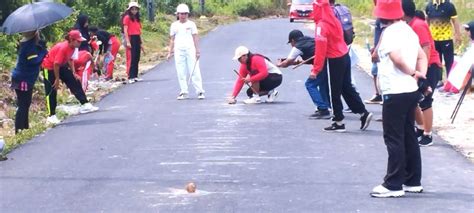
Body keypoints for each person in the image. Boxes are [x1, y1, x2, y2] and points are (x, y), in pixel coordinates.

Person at [370, 0, 428, 198]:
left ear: (381, 15)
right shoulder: (408, 30)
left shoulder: (389, 33)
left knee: (393, 137)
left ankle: (393, 184)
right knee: (408, 135)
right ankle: (412, 180)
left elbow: (395, 58)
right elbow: (422, 56)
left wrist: (412, 73)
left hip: (395, 91)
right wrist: (420, 75)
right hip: (410, 90)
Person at [312, 0, 372, 132]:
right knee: (346, 87)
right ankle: (363, 113)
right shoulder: (334, 20)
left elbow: (320, 50)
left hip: (335, 60)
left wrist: (315, 69)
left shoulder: (322, 26)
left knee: (334, 91)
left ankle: (338, 121)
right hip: (345, 55)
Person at [402, 0, 442, 147]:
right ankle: (420, 128)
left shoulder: (418, 25)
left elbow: (426, 47)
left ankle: (428, 134)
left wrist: (422, 72)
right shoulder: (410, 25)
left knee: (425, 100)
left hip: (430, 66)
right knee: (415, 100)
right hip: (420, 67)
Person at [41, 30, 99, 124]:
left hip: (61, 65)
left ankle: (84, 103)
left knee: (74, 81)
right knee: (51, 90)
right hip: (50, 67)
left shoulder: (74, 47)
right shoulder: (63, 48)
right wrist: (57, 79)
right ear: (72, 40)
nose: (80, 43)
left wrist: (73, 72)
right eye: (78, 41)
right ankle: (51, 116)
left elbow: (71, 60)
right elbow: (56, 64)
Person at [277, 29, 331, 119]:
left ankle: (323, 109)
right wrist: (294, 62)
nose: (291, 45)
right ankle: (326, 106)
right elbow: (309, 59)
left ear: (293, 40)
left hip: (319, 64)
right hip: (326, 61)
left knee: (310, 84)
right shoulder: (310, 40)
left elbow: (287, 62)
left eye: (291, 42)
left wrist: (280, 64)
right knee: (322, 84)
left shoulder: (297, 46)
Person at [10, 31, 47, 133]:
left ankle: (24, 128)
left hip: (23, 77)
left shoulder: (29, 45)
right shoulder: (29, 46)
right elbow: (33, 61)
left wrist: (40, 49)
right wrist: (43, 52)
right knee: (23, 104)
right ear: (34, 34)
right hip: (23, 78)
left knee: (26, 103)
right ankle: (19, 129)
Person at [167, 3, 205, 100]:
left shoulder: (191, 24)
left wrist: (198, 51)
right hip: (179, 50)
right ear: (177, 14)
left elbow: (195, 37)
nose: (183, 15)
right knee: (181, 71)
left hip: (190, 49)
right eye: (181, 13)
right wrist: (169, 52)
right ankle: (184, 91)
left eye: (185, 13)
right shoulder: (174, 25)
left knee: (194, 70)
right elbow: (172, 39)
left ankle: (200, 91)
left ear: (187, 14)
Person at [425, 0, 461, 82]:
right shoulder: (429, 6)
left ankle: (450, 81)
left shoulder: (449, 6)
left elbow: (455, 21)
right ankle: (439, 80)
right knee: (437, 61)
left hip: (446, 38)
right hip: (434, 39)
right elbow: (427, 21)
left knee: (449, 61)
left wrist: (458, 35)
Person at [123, 1, 144, 84]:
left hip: (137, 37)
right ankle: (130, 76)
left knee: (137, 57)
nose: (134, 11)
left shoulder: (137, 18)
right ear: (130, 10)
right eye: (133, 9)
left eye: (136, 9)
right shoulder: (127, 17)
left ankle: (135, 75)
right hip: (131, 37)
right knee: (132, 57)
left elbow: (139, 31)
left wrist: (141, 42)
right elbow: (125, 30)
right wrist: (128, 41)